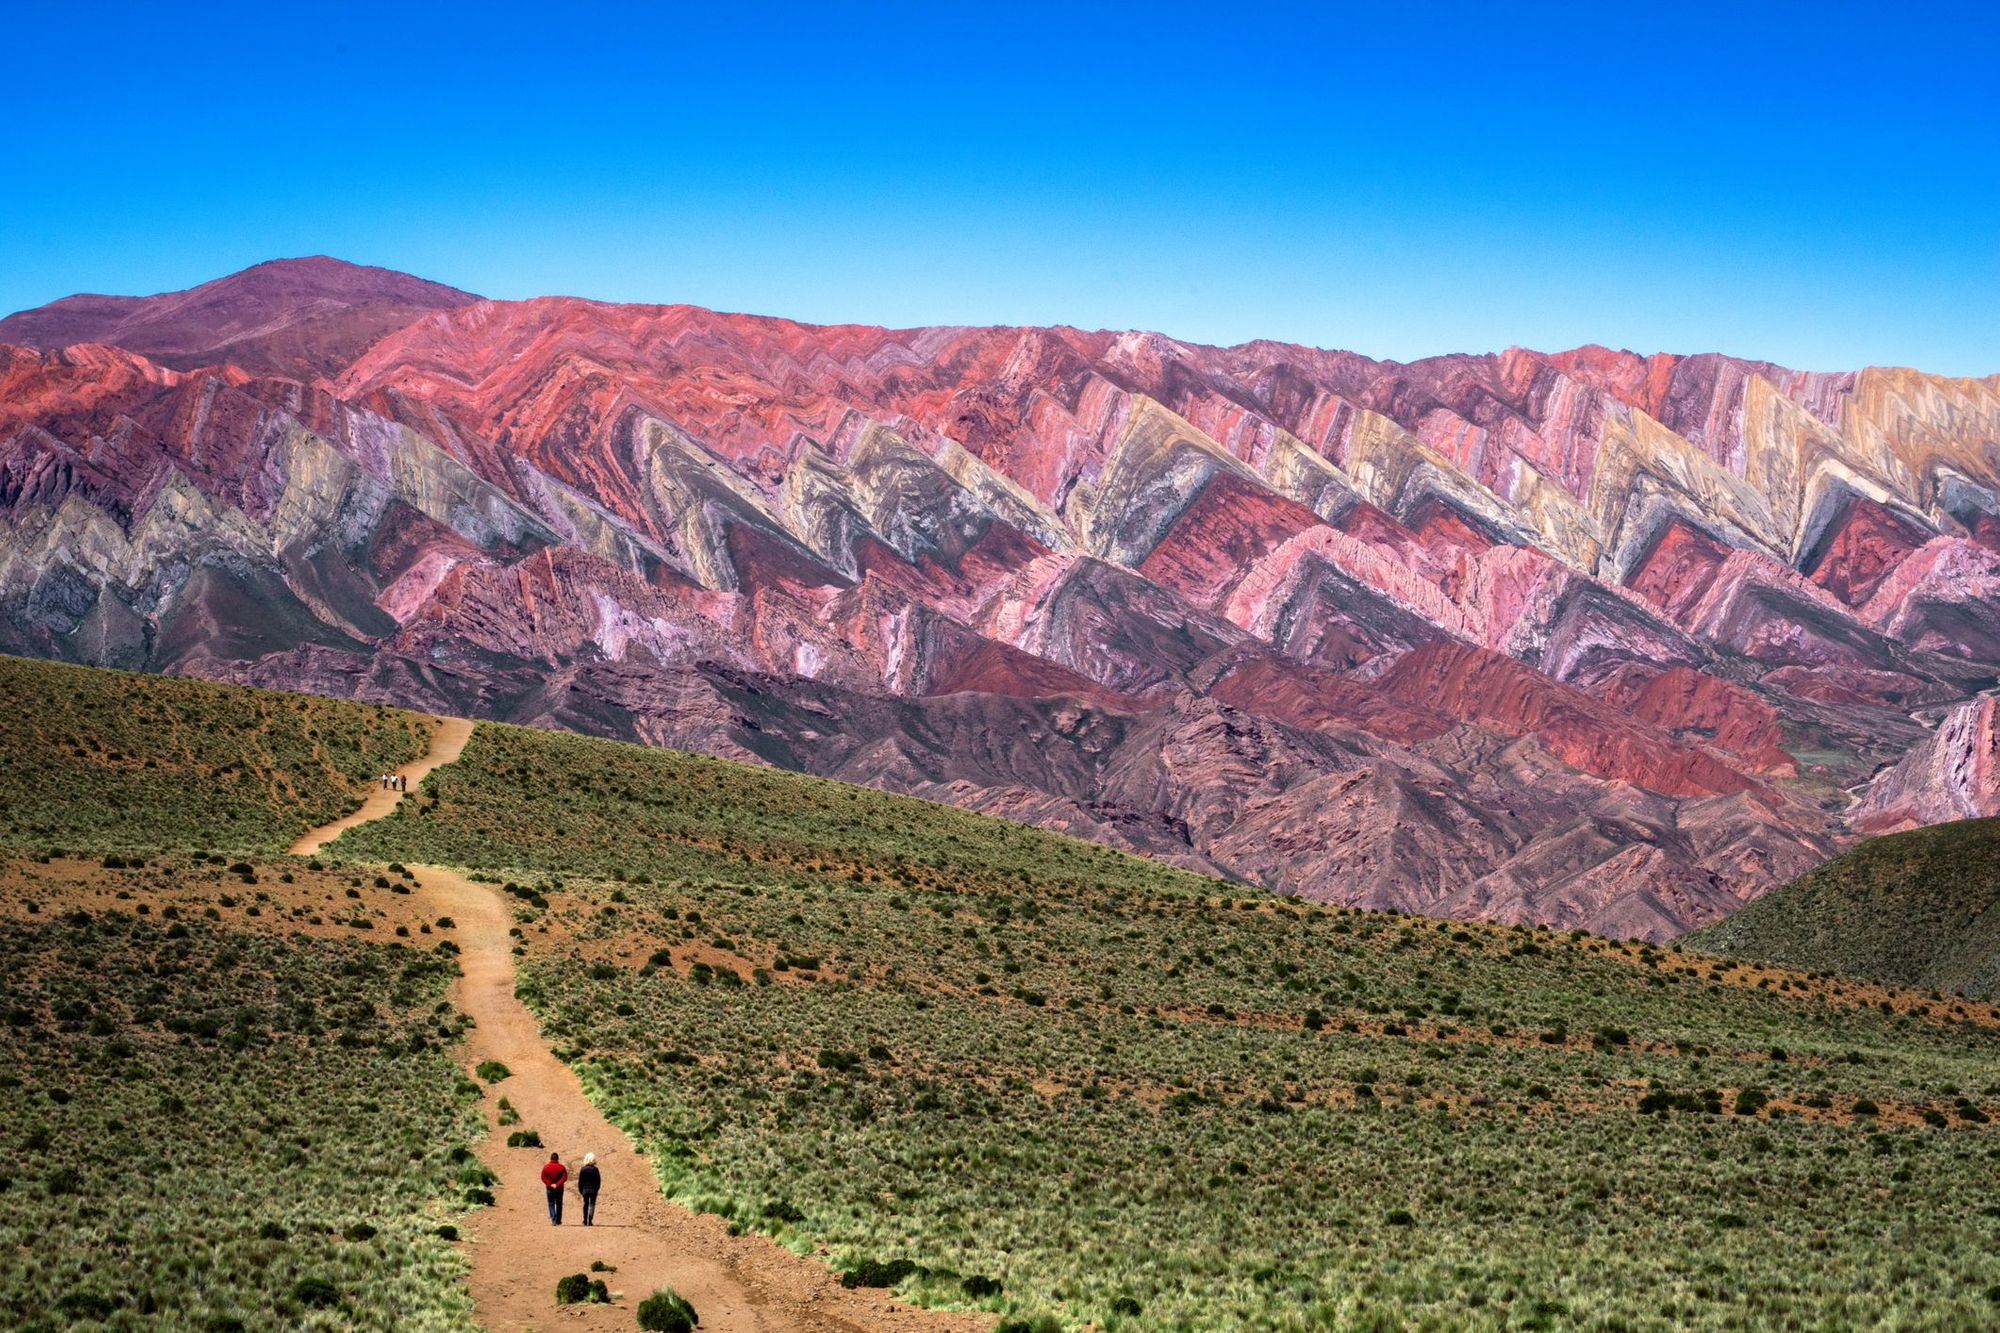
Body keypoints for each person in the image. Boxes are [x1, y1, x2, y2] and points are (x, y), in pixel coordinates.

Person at [541, 1151, 567, 1225]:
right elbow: (564, 1177)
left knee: (551, 1203)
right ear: (557, 1159)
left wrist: (550, 1184)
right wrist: (557, 1184)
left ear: (550, 1159)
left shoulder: (546, 1167)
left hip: (549, 1189)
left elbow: (543, 1177)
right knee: (559, 1203)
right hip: (559, 1188)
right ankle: (558, 1220)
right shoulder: (561, 1167)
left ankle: (553, 1219)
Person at [577, 1152, 601, 1226]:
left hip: (585, 1189)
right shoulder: (595, 1169)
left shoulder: (583, 1169)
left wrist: (580, 1190)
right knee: (592, 1204)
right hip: (593, 1190)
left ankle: (585, 1220)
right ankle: (590, 1220)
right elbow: (598, 1181)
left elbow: (580, 1181)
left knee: (586, 1204)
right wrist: (597, 1189)